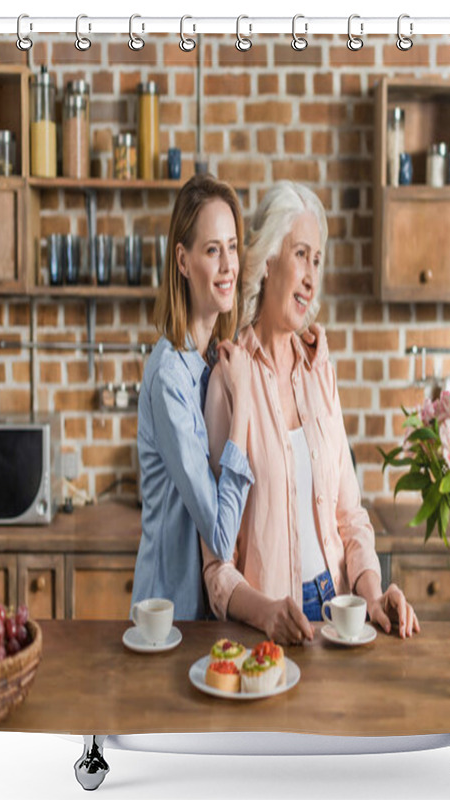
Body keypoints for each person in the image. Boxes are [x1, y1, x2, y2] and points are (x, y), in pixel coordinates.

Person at [201, 181, 420, 644]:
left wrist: (373, 593)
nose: (310, 277)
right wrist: (265, 614)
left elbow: (350, 514)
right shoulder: (229, 377)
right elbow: (217, 563)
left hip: (340, 609)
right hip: (269, 625)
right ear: (267, 262)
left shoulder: (320, 370)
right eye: (301, 255)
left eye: (317, 261)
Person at [131, 175, 326, 620]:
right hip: (168, 615)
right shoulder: (170, 379)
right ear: (182, 260)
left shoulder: (211, 362)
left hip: (205, 617)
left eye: (233, 247)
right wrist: (241, 411)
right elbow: (221, 538)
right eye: (212, 250)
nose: (227, 266)